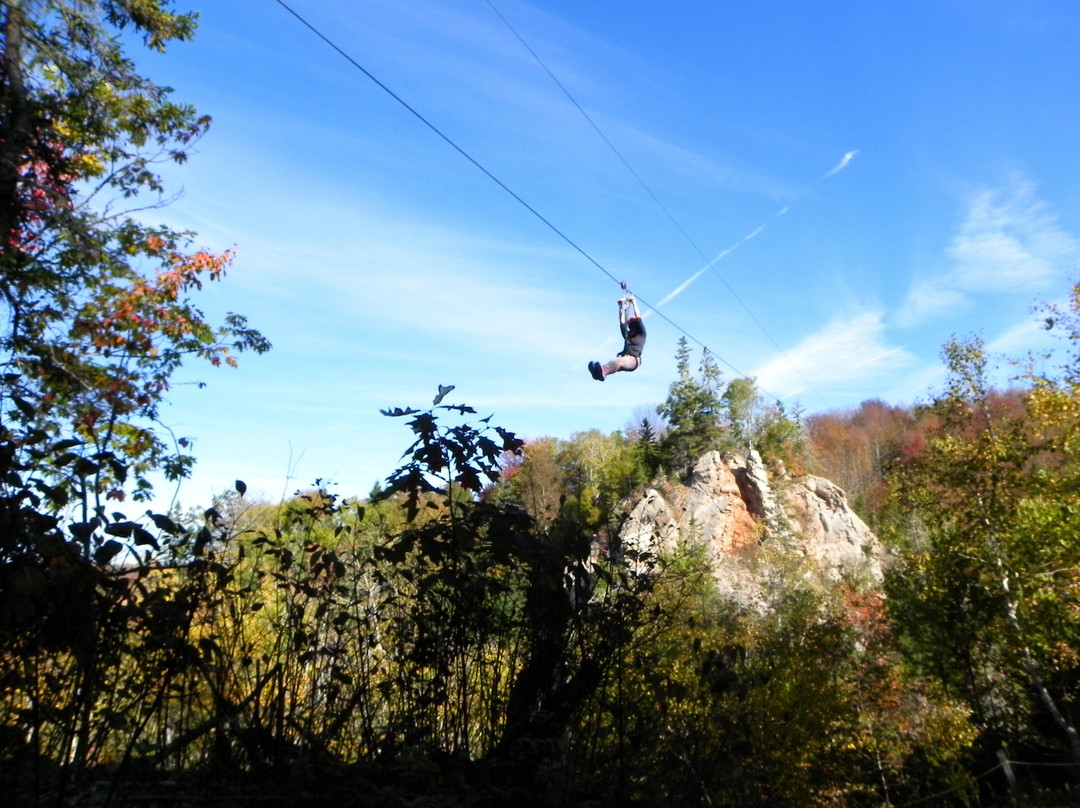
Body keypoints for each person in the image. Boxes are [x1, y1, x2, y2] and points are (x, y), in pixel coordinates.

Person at [589, 295, 645, 381]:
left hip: (634, 360)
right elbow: (622, 321)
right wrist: (620, 306)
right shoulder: (628, 335)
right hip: (625, 357)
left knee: (618, 361)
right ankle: (598, 373)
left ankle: (603, 372)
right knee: (614, 361)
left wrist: (634, 302)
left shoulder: (641, 333)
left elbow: (638, 317)